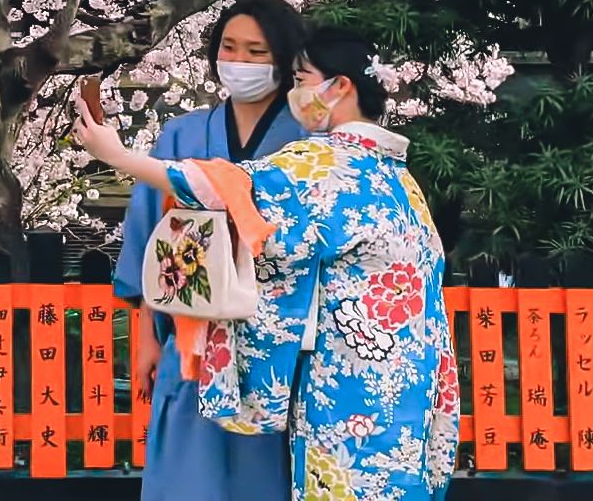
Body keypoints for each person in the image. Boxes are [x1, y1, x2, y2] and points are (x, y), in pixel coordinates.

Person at [79, 29, 458, 501]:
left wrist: (115, 155)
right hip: (410, 375)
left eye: (302, 79)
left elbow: (226, 186)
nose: (296, 92)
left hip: (346, 380)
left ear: (339, 87)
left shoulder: (325, 161)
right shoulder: (397, 175)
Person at [111, 0, 308, 501]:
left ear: (285, 61)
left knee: (269, 474)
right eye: (230, 47)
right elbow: (148, 238)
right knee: (187, 473)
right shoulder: (181, 133)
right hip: (191, 336)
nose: (239, 62)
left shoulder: (311, 139)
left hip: (281, 342)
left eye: (257, 51)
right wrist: (147, 338)